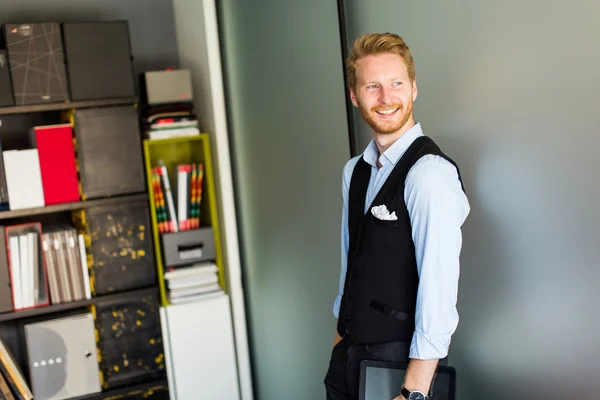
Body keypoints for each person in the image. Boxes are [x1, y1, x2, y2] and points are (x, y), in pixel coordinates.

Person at [324, 32, 470, 400]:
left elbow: (438, 290)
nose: (386, 98)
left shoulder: (428, 175)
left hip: (401, 369)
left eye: (396, 84)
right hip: (348, 361)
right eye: (372, 86)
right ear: (354, 96)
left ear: (414, 88)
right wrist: (339, 344)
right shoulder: (354, 171)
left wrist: (414, 392)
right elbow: (350, 264)